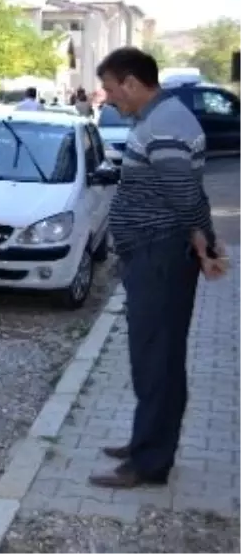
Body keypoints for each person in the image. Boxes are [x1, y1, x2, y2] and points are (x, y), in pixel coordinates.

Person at [88, 47, 227, 489]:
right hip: (153, 255)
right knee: (151, 357)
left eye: (111, 89)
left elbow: (185, 195)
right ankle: (146, 441)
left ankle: (150, 463)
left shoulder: (165, 125)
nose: (108, 99)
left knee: (157, 360)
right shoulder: (158, 121)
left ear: (132, 83)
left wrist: (204, 241)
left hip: (160, 258)